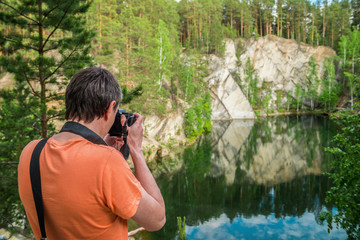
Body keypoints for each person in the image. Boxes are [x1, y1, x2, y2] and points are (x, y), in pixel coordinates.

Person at [18, 66, 166, 239]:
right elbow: (157, 220)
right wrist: (136, 149)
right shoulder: (107, 162)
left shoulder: (31, 151)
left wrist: (100, 147)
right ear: (109, 108)